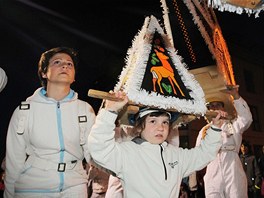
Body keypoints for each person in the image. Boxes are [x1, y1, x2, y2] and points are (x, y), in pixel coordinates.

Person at [88, 91, 225, 197]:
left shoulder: (176, 154)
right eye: (153, 121)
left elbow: (204, 154)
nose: (161, 128)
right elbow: (99, 148)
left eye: (165, 122)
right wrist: (110, 112)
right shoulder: (127, 153)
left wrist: (216, 128)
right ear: (140, 126)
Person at [4, 47, 96, 198]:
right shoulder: (25, 110)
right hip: (32, 189)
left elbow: (94, 153)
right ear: (44, 73)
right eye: (57, 62)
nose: (65, 66)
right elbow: (14, 159)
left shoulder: (85, 110)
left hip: (74, 188)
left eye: (69, 64)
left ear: (74, 77)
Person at [193, 86, 253, 198]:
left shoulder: (233, 124)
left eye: (218, 105)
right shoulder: (204, 130)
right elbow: (198, 154)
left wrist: (236, 95)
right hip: (212, 168)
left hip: (232, 166)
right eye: (211, 106)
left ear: (223, 108)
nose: (214, 108)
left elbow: (247, 118)